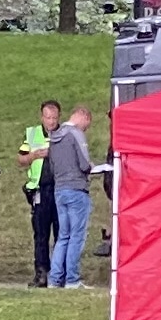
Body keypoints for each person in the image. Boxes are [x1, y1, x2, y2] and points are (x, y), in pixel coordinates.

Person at [43, 101, 98, 287]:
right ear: (83, 117)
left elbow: (51, 166)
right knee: (76, 236)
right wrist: (92, 168)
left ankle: (55, 278)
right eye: (87, 126)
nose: (86, 129)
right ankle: (72, 279)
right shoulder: (76, 134)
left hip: (60, 190)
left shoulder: (54, 136)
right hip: (76, 189)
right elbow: (84, 164)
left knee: (63, 236)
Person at [20, 105, 60, 290]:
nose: (51, 121)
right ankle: (41, 274)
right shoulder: (32, 134)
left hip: (60, 189)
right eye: (47, 117)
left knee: (62, 234)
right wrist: (35, 155)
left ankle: (60, 274)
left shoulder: (64, 133)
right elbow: (20, 160)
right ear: (41, 117)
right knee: (41, 235)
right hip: (40, 190)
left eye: (54, 118)